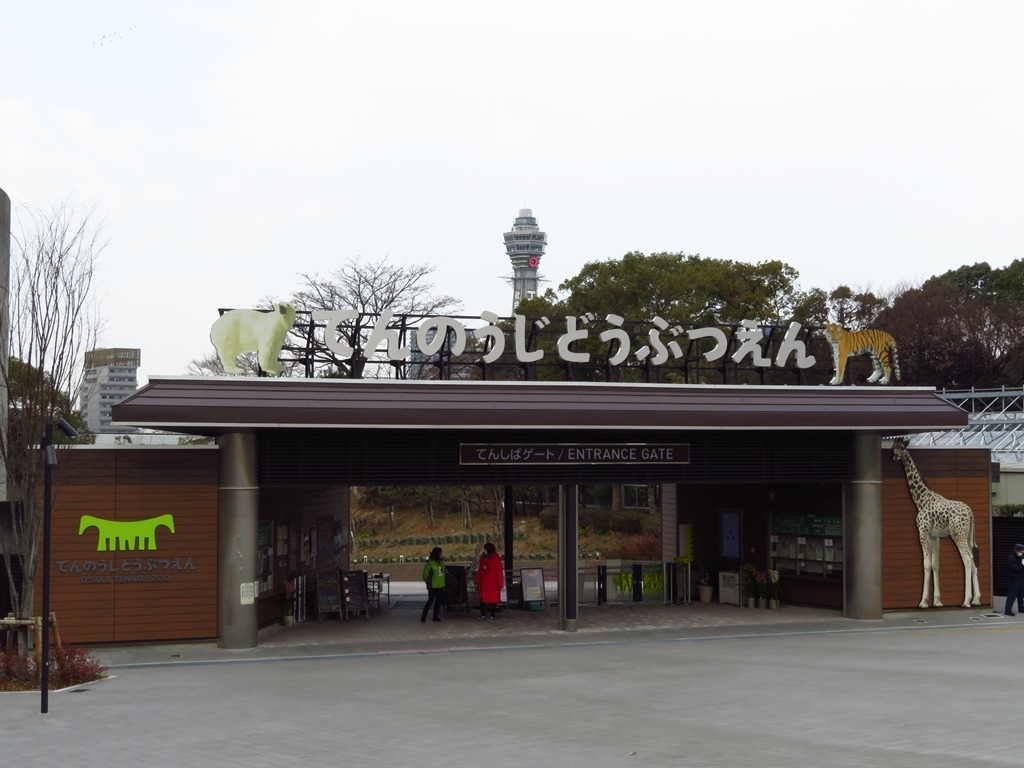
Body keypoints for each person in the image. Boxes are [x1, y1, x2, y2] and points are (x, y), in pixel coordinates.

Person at [475, 542, 505, 621]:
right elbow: (480, 570)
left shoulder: (496, 558)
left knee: (493, 600)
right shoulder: (483, 558)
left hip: (493, 583)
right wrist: (477, 581)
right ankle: (483, 615)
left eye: (485, 549)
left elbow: (499, 572)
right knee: (482, 600)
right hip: (484, 583)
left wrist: (500, 584)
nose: (484, 551)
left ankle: (492, 615)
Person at [421, 547, 447, 623]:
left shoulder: (442, 563)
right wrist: (428, 583)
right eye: (441, 553)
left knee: (438, 602)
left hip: (440, 585)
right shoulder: (430, 564)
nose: (442, 555)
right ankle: (423, 617)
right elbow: (425, 575)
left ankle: (435, 616)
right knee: (430, 601)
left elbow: (444, 572)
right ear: (437, 554)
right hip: (432, 586)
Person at [1004, 543, 1024, 616]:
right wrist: (1022, 565)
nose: (1021, 553)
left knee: (1021, 594)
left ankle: (1021, 608)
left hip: (1021, 578)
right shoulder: (1010, 558)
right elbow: (1015, 569)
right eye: (1020, 551)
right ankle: (1008, 609)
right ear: (1015, 550)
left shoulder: (1021, 557)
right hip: (1014, 578)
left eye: (1022, 551)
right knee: (1012, 594)